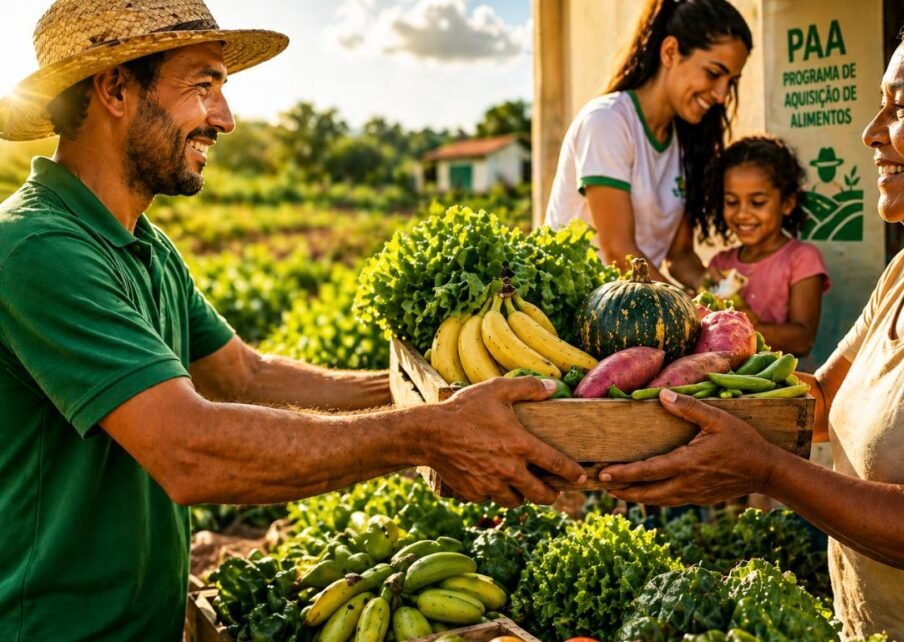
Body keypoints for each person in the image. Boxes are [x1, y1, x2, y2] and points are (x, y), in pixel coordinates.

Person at [0, 1, 584, 639]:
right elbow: (188, 449)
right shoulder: (38, 248)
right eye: (202, 86)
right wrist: (429, 434)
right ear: (115, 88)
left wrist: (437, 397)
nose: (224, 118)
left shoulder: (142, 244)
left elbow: (245, 376)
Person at [599, 2, 904, 639]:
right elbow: (814, 401)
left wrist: (763, 469)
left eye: (902, 107)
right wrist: (662, 408)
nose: (872, 132)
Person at [544, 0, 751, 290]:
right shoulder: (607, 122)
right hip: (577, 310)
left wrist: (717, 292)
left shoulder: (687, 143)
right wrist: (687, 311)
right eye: (714, 73)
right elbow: (618, 252)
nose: (721, 95)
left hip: (634, 310)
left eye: (731, 82)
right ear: (670, 53)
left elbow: (680, 256)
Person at [704, 135, 830, 356]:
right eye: (732, 202)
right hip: (723, 382)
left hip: (779, 385)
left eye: (757, 202)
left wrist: (747, 327)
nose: (742, 213)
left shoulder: (802, 259)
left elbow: (803, 340)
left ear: (788, 203)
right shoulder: (719, 263)